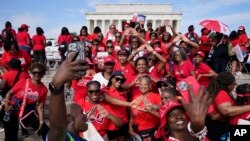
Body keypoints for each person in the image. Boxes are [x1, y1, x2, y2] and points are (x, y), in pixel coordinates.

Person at [4, 63, 49, 141]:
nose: (37, 74)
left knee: (45, 130)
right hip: (12, 109)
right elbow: (9, 93)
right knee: (10, 136)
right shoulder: (23, 82)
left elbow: (40, 107)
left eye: (39, 72)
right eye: (34, 72)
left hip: (28, 112)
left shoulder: (43, 89)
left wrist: (41, 122)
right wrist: (6, 105)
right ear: (31, 73)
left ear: (43, 73)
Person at [206, 72, 250, 141]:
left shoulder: (215, 90)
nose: (235, 86)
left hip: (213, 126)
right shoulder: (222, 93)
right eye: (234, 84)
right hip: (217, 129)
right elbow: (226, 111)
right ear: (229, 85)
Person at [129, 75, 161, 141]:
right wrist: (130, 126)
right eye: (141, 84)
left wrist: (150, 111)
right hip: (136, 129)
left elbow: (162, 116)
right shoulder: (135, 97)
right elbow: (132, 115)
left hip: (150, 129)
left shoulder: (157, 97)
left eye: (145, 84)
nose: (142, 86)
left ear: (150, 86)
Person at [104, 71, 129, 141]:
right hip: (112, 124)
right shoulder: (105, 90)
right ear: (112, 79)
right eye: (117, 79)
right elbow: (110, 100)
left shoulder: (123, 92)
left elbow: (126, 109)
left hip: (124, 123)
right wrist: (130, 104)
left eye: (122, 80)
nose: (119, 81)